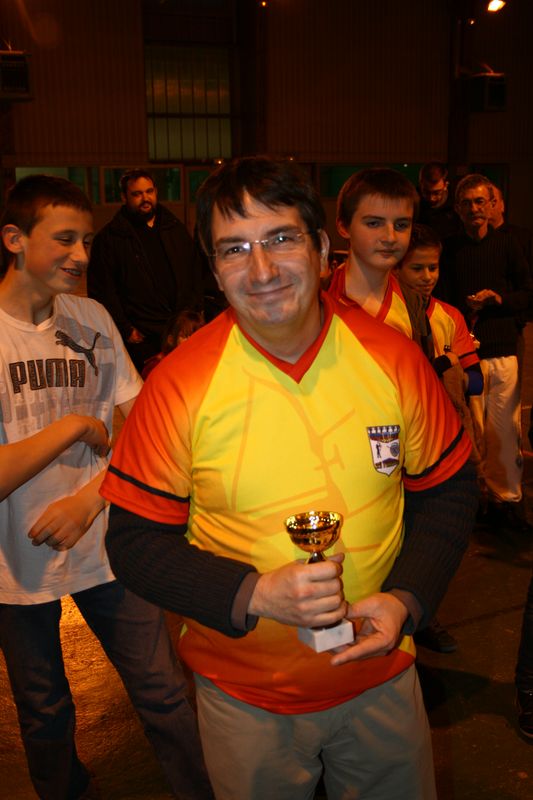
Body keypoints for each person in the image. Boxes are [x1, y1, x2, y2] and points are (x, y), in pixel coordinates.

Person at [101, 156, 478, 800]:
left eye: (280, 238)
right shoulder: (178, 386)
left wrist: (407, 597)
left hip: (383, 678)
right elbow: (134, 543)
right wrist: (254, 594)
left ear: (322, 248)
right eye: (234, 249)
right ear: (214, 269)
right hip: (245, 701)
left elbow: (447, 488)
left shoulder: (392, 359)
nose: (262, 270)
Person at [0, 175, 214, 800]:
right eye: (65, 239)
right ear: (15, 239)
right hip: (15, 567)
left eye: (88, 241)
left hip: (108, 544)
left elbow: (143, 429)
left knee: (164, 693)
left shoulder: (92, 318)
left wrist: (91, 500)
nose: (82, 255)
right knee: (43, 712)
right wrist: (72, 427)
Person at [439, 174, 533, 534]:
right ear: (457, 208)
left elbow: (527, 293)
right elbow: (443, 300)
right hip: (468, 357)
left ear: (493, 205)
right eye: (467, 203)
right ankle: (479, 499)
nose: (475, 209)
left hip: (503, 351)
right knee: (474, 432)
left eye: (481, 201)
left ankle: (508, 500)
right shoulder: (450, 250)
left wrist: (498, 299)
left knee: (505, 431)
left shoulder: (508, 245)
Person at [87, 168, 203, 373]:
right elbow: (103, 291)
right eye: (137, 194)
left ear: (156, 192)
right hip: (142, 340)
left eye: (149, 191)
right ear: (124, 197)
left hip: (179, 333)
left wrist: (192, 313)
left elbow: (194, 272)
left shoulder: (174, 228)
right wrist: (125, 329)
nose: (145, 198)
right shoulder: (110, 239)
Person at [141, 308, 205, 380]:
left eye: (196, 336)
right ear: (170, 340)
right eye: (185, 336)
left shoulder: (203, 363)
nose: (191, 341)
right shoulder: (155, 366)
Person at [417, 162, 462, 241]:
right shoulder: (415, 200)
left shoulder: (457, 200)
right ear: (421, 184)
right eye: (426, 192)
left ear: (446, 185)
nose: (431, 198)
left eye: (436, 193)